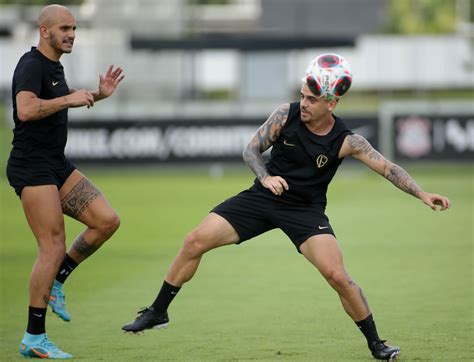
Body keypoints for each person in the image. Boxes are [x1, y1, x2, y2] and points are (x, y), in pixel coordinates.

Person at [122, 53, 450, 360]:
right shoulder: (285, 114)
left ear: (332, 103)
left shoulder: (348, 141)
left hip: (305, 211)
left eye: (312, 99)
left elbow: (388, 168)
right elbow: (251, 151)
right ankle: (158, 311)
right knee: (194, 241)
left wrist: (422, 193)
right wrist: (265, 178)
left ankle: (377, 344)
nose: (303, 103)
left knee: (337, 276)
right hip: (263, 197)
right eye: (303, 96)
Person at [6, 4, 124, 359]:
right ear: (45, 31)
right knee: (52, 246)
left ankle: (58, 281)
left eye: (74, 28)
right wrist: (67, 99)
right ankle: (33, 337)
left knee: (106, 221)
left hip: (55, 165)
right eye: (64, 29)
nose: (72, 34)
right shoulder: (30, 65)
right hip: (32, 168)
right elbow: (25, 110)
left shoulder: (53, 66)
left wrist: (98, 95)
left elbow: (61, 100)